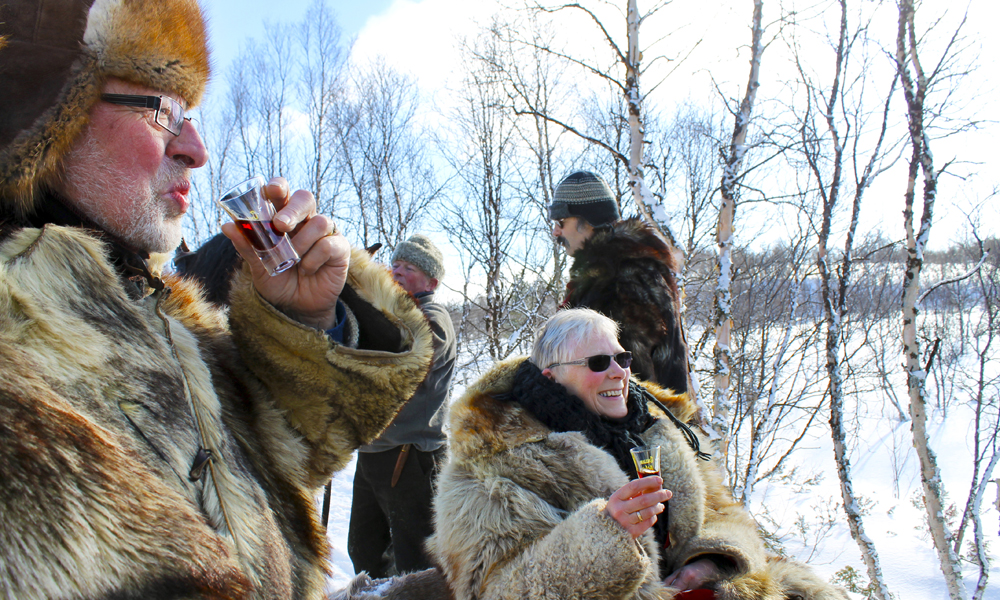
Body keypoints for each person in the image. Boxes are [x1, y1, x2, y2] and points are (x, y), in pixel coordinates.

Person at [0, 2, 439, 598]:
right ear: (47, 115)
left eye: (193, 114)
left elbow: (281, 465)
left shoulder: (160, 311)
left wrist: (309, 320)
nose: (196, 149)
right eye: (162, 110)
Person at [428, 308, 847, 600]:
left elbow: (722, 514)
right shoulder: (491, 458)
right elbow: (500, 591)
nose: (618, 372)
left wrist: (710, 561)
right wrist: (605, 534)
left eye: (621, 357)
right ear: (550, 376)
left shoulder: (654, 428)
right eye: (597, 362)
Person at [349, 234, 457, 578]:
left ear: (431, 281)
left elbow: (407, 352)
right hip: (373, 451)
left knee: (417, 560)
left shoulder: (433, 317)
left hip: (411, 456)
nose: (397, 272)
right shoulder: (390, 312)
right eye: (395, 264)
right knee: (364, 550)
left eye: (409, 267)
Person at [550, 171, 691, 394]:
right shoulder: (606, 273)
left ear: (589, 221)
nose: (556, 231)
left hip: (638, 423)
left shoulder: (626, 277)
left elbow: (631, 382)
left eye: (561, 221)